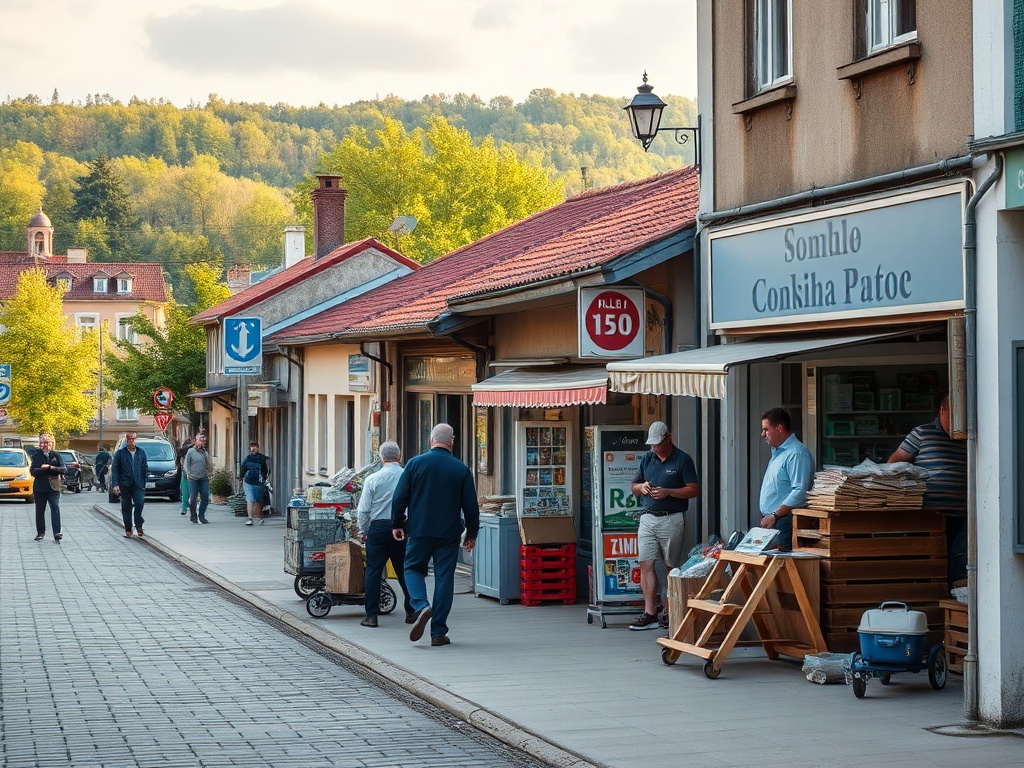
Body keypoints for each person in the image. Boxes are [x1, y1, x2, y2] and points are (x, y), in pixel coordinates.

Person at [391, 423, 479, 647]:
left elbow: (400, 496)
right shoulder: (460, 469)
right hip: (448, 533)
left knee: (411, 568)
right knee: (444, 578)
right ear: (451, 442)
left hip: (419, 530)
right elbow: (471, 506)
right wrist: (472, 533)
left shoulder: (414, 464)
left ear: (431, 441)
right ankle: (438, 632)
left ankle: (421, 606)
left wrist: (397, 523)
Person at [887, 395, 967, 588]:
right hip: (929, 515)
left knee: (957, 564)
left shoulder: (968, 436)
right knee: (929, 563)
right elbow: (893, 465)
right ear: (942, 411)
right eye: (953, 416)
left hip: (964, 514)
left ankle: (951, 601)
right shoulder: (922, 433)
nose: (957, 423)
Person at [628, 421, 700, 631]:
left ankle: (669, 610)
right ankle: (650, 611)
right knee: (645, 563)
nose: (654, 448)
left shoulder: (682, 459)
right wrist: (642, 487)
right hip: (648, 516)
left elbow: (693, 489)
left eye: (658, 444)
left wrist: (669, 491)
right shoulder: (647, 458)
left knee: (671, 565)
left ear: (668, 438)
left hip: (672, 516)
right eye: (652, 445)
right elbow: (633, 486)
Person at [357, 441, 414, 627]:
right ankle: (411, 610)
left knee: (373, 570)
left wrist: (364, 530)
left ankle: (371, 615)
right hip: (402, 527)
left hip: (378, 528)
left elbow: (363, 511)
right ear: (399, 456)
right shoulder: (408, 475)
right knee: (405, 570)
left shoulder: (373, 479)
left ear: (381, 457)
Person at [757, 407, 814, 552]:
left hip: (784, 521)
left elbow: (799, 492)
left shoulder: (796, 454)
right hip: (773, 520)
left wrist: (775, 515)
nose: (763, 434)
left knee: (782, 567)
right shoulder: (779, 452)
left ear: (779, 428)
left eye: (766, 429)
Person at [111, 432, 148, 538]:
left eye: (133, 439)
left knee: (139, 503)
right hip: (125, 484)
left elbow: (145, 468)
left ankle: (139, 525)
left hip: (138, 484)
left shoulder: (141, 453)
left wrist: (144, 482)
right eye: (130, 439)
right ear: (126, 441)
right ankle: (128, 528)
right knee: (126, 507)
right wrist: (115, 484)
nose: (132, 441)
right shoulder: (120, 453)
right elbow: (115, 469)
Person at [30, 432, 66, 542]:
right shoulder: (36, 456)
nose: (45, 445)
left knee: (55, 508)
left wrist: (50, 467)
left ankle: (57, 532)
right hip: (40, 487)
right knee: (40, 510)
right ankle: (40, 533)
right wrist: (45, 469)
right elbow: (33, 471)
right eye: (43, 443)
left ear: (51, 444)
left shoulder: (56, 455)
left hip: (53, 487)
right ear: (40, 444)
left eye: (47, 442)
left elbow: (63, 468)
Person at [184, 433, 212, 524]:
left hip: (203, 477)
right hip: (193, 478)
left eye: (203, 440)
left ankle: (202, 515)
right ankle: (193, 515)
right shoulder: (191, 451)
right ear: (195, 441)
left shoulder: (205, 452)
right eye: (200, 440)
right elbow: (186, 464)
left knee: (205, 497)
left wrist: (210, 470)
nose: (202, 442)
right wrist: (188, 473)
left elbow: (208, 464)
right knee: (193, 498)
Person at [240, 440, 270, 526]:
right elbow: (243, 469)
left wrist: (264, 479)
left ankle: (260, 517)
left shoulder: (262, 458)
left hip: (259, 482)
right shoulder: (247, 459)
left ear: (258, 448)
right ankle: (250, 518)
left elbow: (265, 470)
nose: (253, 449)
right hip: (248, 481)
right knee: (250, 499)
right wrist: (241, 479)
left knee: (259, 500)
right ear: (250, 449)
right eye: (252, 447)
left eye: (255, 447)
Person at [175, 438, 191, 515]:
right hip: (187, 475)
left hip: (186, 474)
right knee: (187, 493)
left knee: (185, 493)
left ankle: (185, 508)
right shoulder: (189, 453)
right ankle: (186, 508)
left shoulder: (183, 454)